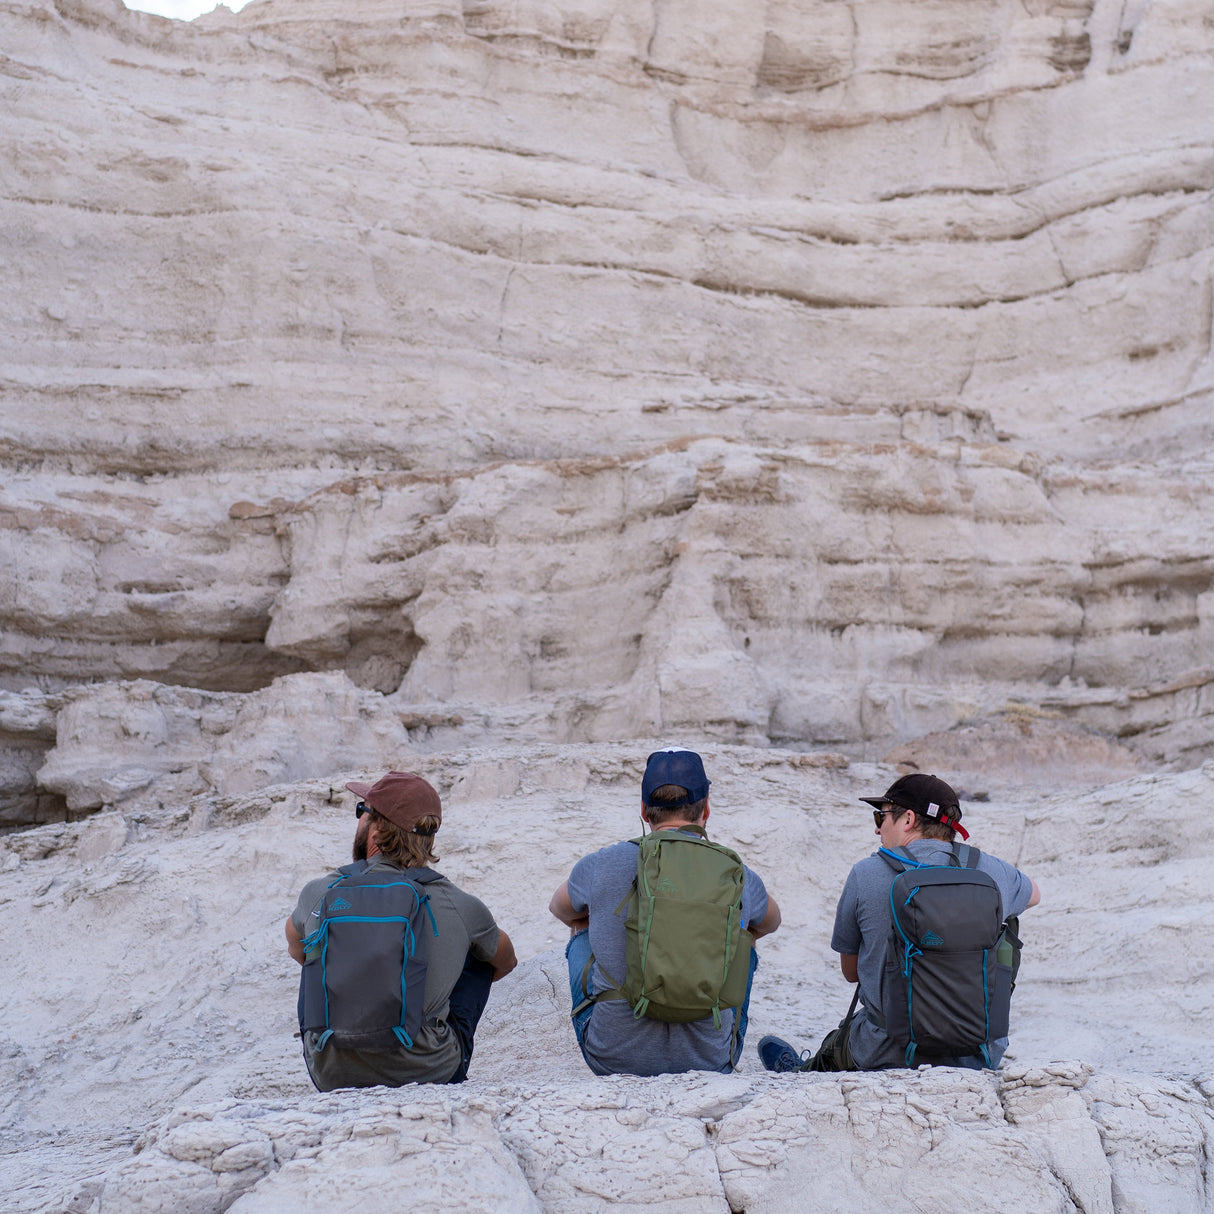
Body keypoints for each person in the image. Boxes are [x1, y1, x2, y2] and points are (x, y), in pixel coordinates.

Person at [760, 773, 1041, 1073]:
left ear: (907, 819)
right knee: (1008, 919)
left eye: (881, 817)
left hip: (885, 1050)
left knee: (835, 1046)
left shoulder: (865, 873)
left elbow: (851, 972)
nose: (878, 829)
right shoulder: (987, 870)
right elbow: (1034, 895)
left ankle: (799, 1071)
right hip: (975, 1053)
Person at [549, 747, 781, 1076]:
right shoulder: (735, 872)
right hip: (710, 1059)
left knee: (582, 919)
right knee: (745, 932)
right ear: (707, 809)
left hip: (611, 1057)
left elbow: (558, 908)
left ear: (644, 810)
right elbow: (772, 922)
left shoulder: (601, 863)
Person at [286, 770, 516, 1090]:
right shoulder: (461, 904)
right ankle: (435, 1051)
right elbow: (506, 961)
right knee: (479, 956)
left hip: (331, 1074)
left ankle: (336, 1048)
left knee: (316, 949)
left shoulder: (319, 892)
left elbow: (296, 948)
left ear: (376, 828)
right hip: (429, 1069)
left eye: (361, 811)